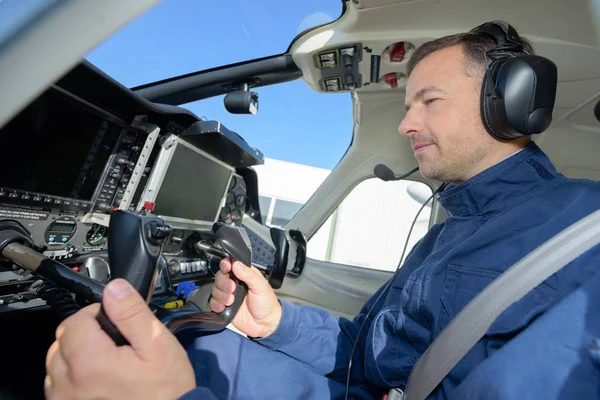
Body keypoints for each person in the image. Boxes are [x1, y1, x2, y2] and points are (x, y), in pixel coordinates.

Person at [45, 21, 600, 400]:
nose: (407, 125)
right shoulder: (446, 236)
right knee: (190, 334)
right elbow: (371, 352)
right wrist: (278, 323)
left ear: (509, 105)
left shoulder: (583, 236)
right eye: (408, 107)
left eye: (429, 101)